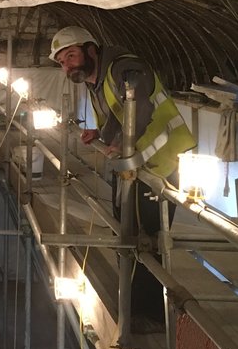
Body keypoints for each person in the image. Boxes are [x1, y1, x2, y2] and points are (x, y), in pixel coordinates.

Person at [50, 26, 196, 330]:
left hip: (159, 163)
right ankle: (134, 306)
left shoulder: (126, 69)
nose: (68, 66)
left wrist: (122, 145)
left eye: (71, 56)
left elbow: (140, 108)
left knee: (147, 239)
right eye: (62, 62)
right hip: (135, 165)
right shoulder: (99, 80)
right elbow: (117, 116)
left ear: (91, 50)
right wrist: (101, 135)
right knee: (128, 233)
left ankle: (152, 315)